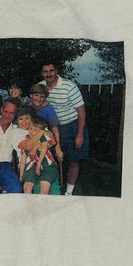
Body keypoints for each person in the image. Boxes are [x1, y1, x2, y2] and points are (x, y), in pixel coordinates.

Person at [41, 62, 89, 195]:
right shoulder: (40, 87)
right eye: (45, 71)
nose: (49, 74)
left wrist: (79, 135)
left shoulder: (69, 86)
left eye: (51, 70)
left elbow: (81, 111)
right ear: (41, 73)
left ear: (56, 71)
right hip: (53, 128)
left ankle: (69, 192)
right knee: (50, 160)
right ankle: (52, 189)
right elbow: (34, 104)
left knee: (74, 160)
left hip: (73, 126)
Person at [19, 115, 59, 195]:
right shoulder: (27, 141)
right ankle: (29, 202)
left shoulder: (44, 138)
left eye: (35, 130)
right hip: (33, 166)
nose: (32, 132)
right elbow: (23, 159)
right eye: (30, 128)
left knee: (44, 188)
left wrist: (39, 164)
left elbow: (46, 147)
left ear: (41, 132)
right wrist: (21, 176)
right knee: (27, 186)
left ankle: (41, 203)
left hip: (48, 166)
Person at [28, 83, 64, 161]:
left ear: (45, 98)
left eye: (42, 97)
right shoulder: (26, 106)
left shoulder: (48, 109)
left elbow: (55, 129)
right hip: (27, 140)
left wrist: (58, 147)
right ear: (31, 95)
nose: (39, 99)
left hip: (43, 141)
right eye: (36, 95)